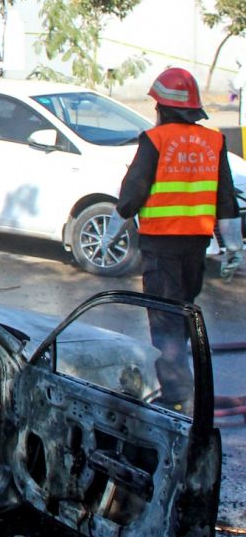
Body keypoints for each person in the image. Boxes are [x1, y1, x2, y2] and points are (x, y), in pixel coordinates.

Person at [104, 68, 242, 403]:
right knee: (183, 312)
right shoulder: (214, 140)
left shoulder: (155, 140)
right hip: (195, 246)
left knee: (165, 322)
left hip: (161, 246)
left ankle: (178, 395)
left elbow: (131, 196)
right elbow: (226, 198)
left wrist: (110, 234)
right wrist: (233, 248)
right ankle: (187, 385)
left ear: (162, 108)